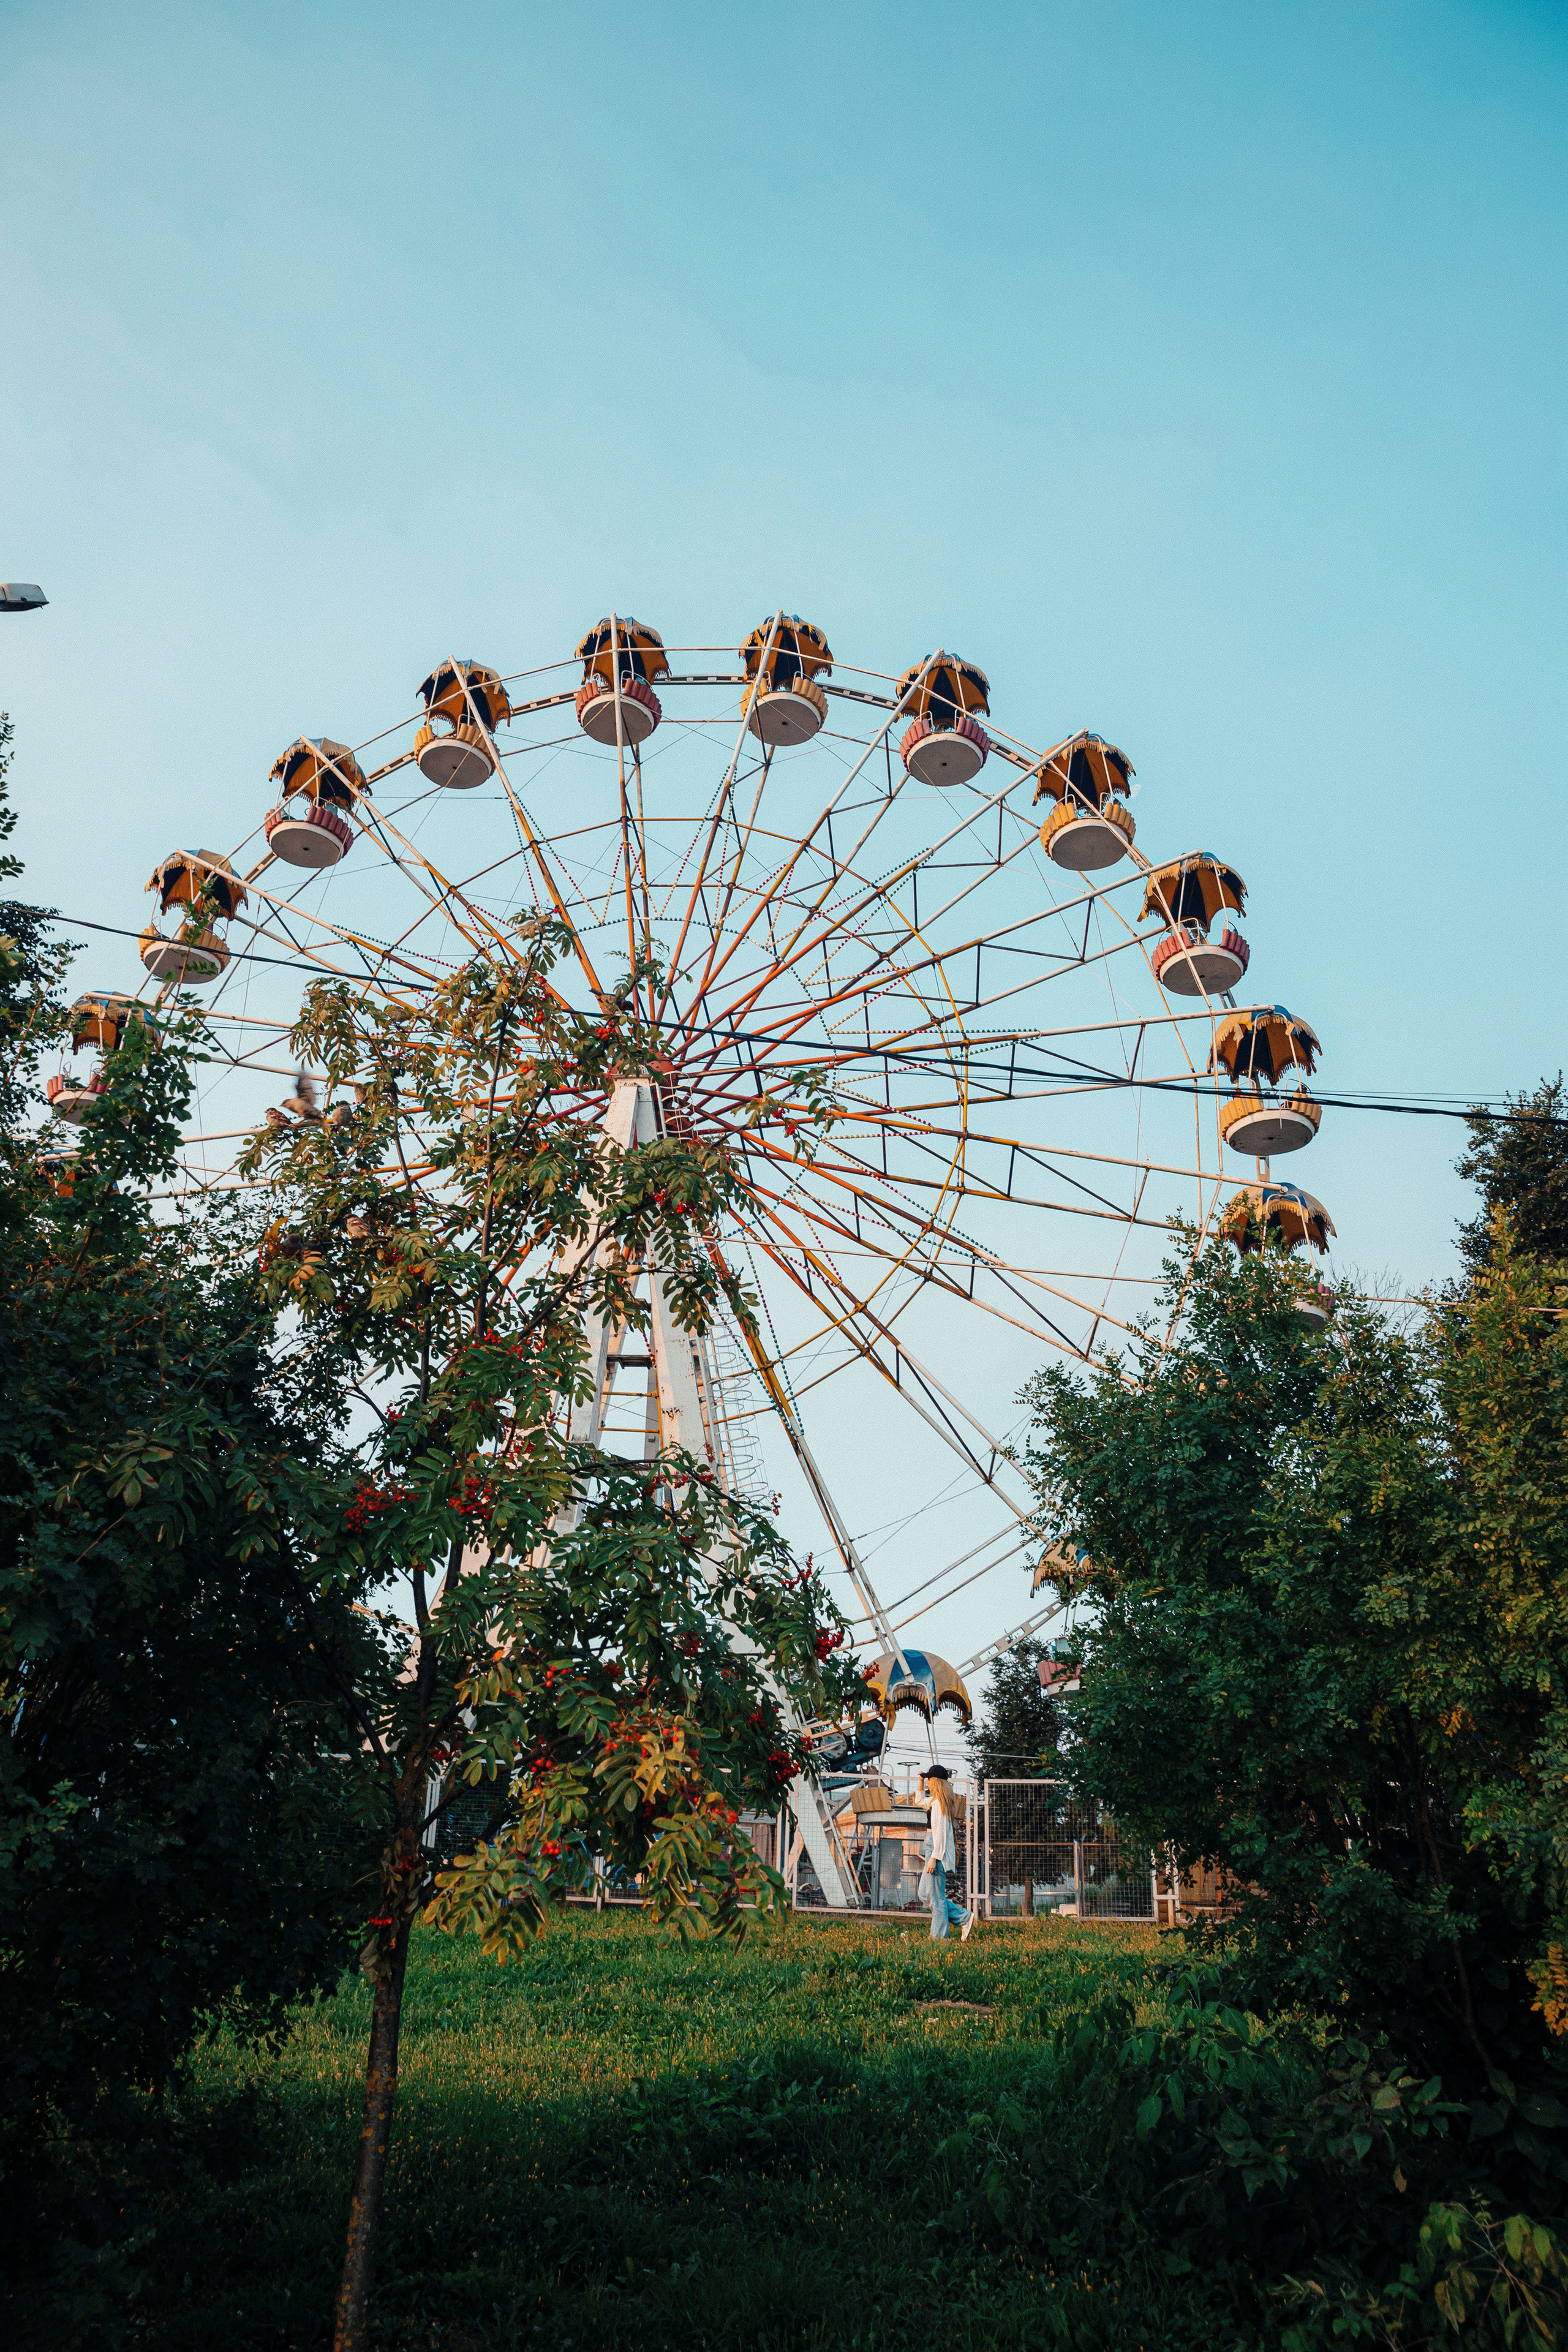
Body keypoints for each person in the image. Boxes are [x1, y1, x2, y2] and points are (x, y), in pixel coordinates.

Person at [919, 1766, 976, 1942]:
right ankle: (963, 1916)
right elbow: (920, 1801)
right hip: (932, 1848)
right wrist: (920, 1781)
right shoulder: (934, 1801)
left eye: (929, 1779)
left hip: (935, 1850)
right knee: (924, 1894)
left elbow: (941, 1835)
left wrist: (934, 1859)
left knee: (936, 1898)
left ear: (936, 1782)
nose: (928, 1782)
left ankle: (939, 1938)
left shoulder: (939, 1805)